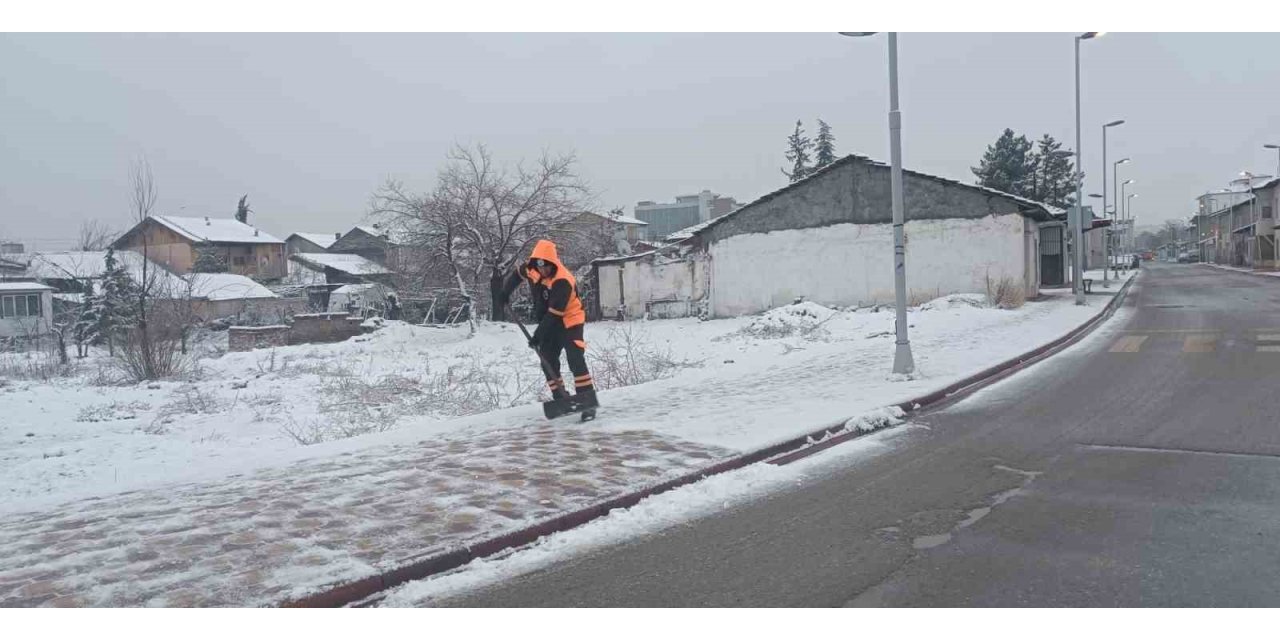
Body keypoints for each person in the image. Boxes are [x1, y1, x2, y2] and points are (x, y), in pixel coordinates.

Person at [498, 239, 597, 410]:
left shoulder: (562, 280)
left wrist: (538, 336)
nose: (543, 270)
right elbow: (516, 276)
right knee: (547, 359)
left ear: (553, 264)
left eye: (547, 267)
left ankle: (586, 400)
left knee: (575, 357)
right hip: (548, 319)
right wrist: (505, 293)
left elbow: (554, 313)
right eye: (540, 267)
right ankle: (560, 398)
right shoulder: (531, 267)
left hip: (568, 320)